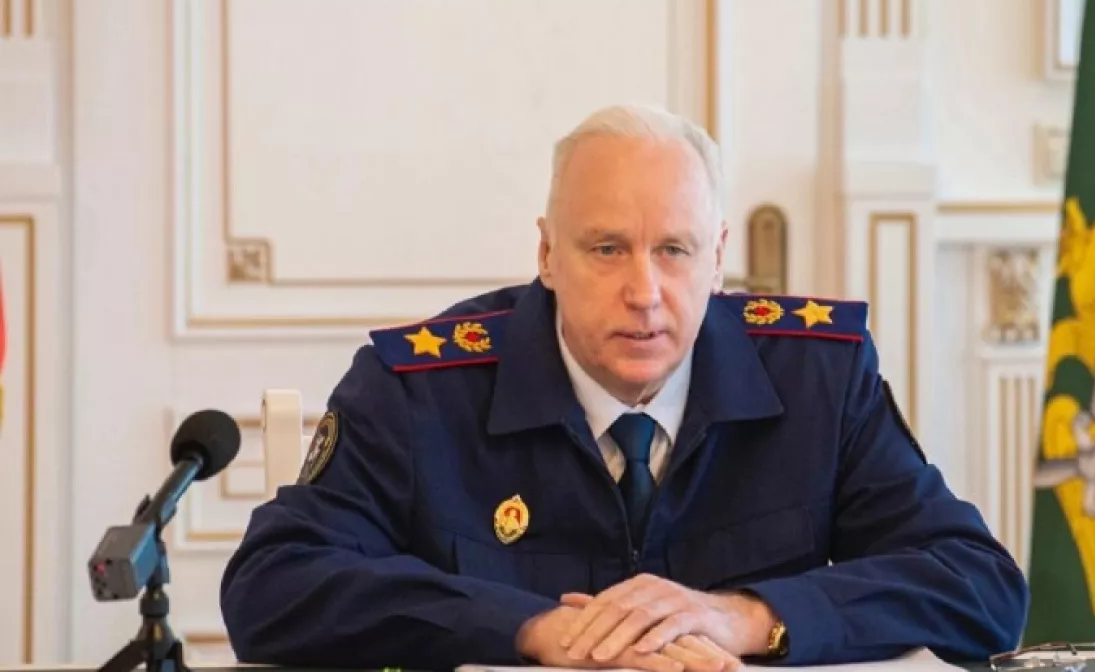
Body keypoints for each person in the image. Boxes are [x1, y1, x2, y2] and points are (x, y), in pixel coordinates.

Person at [219, 104, 1029, 671]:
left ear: (718, 258)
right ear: (546, 255)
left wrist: (747, 617)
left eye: (674, 250)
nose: (644, 292)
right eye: (607, 249)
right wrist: (531, 628)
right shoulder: (421, 390)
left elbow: (981, 590)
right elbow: (272, 587)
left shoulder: (819, 376)